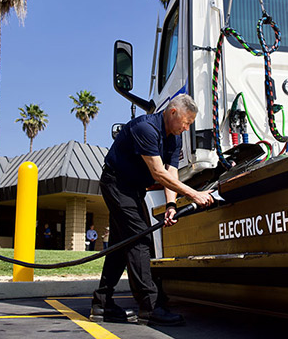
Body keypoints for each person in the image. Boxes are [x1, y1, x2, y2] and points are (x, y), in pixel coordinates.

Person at [90, 94, 214, 326]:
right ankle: (150, 307)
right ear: (173, 112)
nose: (187, 128)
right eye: (186, 122)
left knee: (121, 244)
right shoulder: (146, 129)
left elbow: (171, 171)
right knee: (140, 240)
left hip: (134, 189)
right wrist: (194, 194)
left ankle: (102, 304)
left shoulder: (174, 136)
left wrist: (171, 204)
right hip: (117, 183)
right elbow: (158, 173)